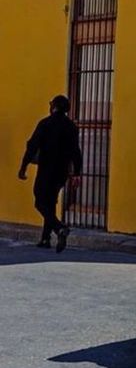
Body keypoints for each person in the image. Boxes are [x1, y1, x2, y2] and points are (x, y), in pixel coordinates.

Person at [17, 95, 83, 252]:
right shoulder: (71, 127)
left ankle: (59, 228)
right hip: (62, 172)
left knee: (39, 202)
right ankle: (46, 238)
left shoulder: (45, 124)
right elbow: (76, 151)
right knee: (51, 201)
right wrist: (77, 173)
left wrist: (23, 166)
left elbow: (32, 146)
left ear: (54, 107)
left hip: (46, 169)